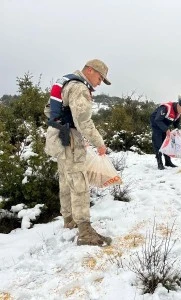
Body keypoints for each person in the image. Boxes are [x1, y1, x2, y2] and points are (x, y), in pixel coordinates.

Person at [44, 59, 112, 246]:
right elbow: (84, 122)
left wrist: (64, 125)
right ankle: (85, 231)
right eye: (100, 77)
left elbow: (48, 110)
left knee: (66, 179)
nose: (99, 83)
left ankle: (69, 220)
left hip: (59, 138)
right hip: (70, 140)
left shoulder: (65, 82)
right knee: (79, 182)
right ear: (90, 70)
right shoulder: (80, 88)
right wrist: (99, 143)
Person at [150, 98, 181, 170]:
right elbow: (157, 120)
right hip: (156, 124)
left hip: (164, 125)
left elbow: (176, 123)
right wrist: (166, 129)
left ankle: (168, 162)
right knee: (158, 143)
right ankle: (160, 163)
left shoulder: (178, 113)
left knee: (167, 144)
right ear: (178, 105)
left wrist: (178, 131)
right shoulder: (165, 108)